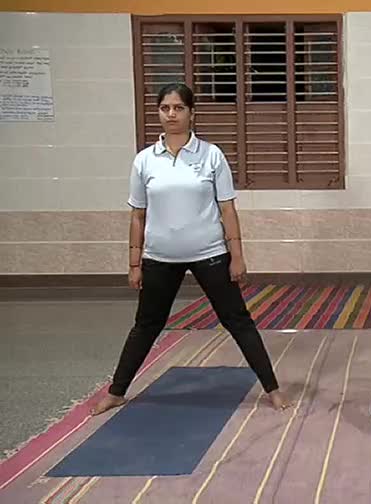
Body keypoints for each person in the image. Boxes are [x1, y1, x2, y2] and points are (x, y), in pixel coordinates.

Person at [91, 83, 289, 415]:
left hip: (210, 254)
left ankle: (272, 388)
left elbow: (227, 210)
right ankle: (117, 391)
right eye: (165, 108)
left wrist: (237, 257)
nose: (171, 114)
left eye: (179, 108)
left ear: (191, 113)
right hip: (158, 258)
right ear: (158, 113)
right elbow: (138, 215)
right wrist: (134, 262)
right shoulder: (144, 161)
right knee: (146, 325)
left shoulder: (211, 155)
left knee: (238, 321)